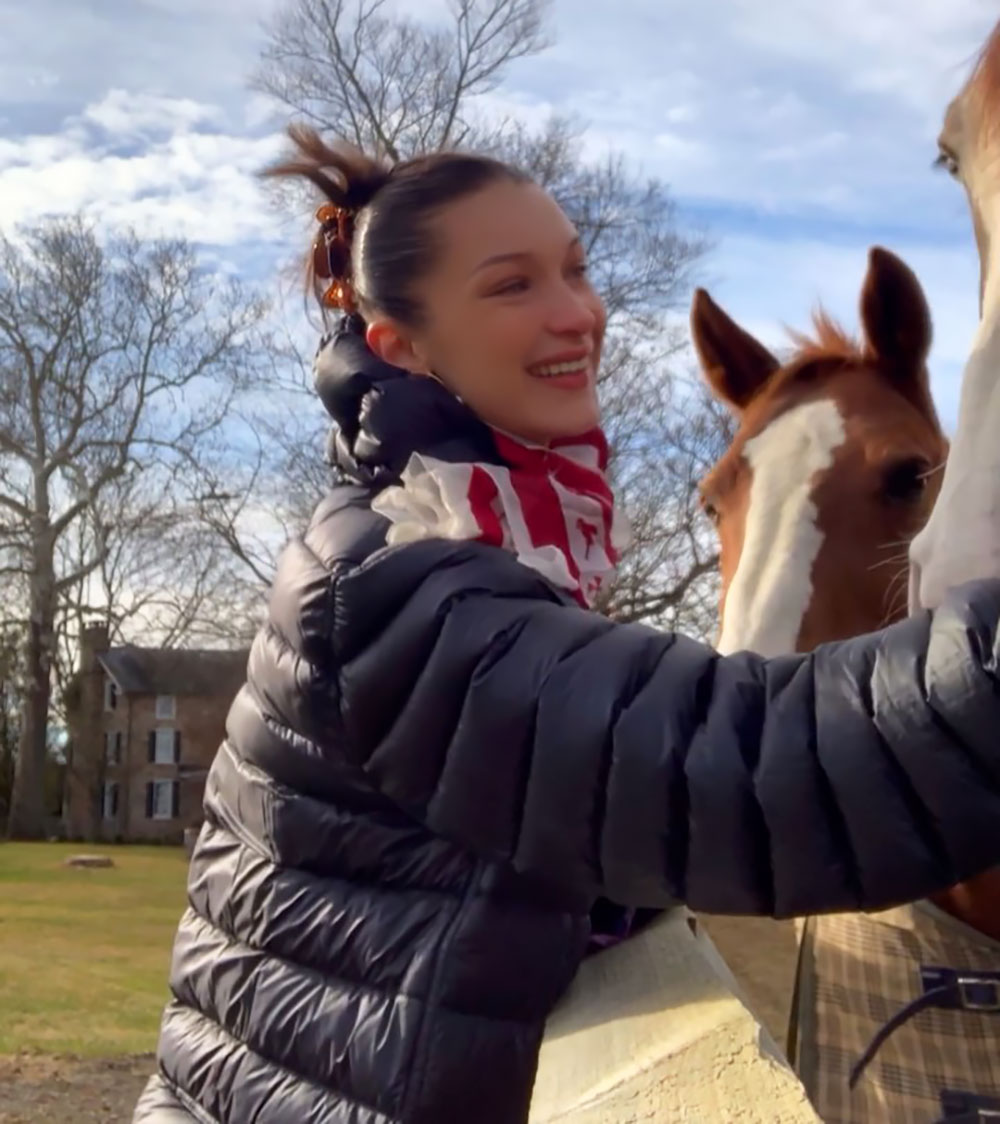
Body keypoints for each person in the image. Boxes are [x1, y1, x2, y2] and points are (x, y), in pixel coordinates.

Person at [133, 125, 1000, 1124]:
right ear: (399, 345)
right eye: (512, 286)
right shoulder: (399, 586)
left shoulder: (487, 548)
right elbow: (738, 770)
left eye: (574, 271)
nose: (576, 314)